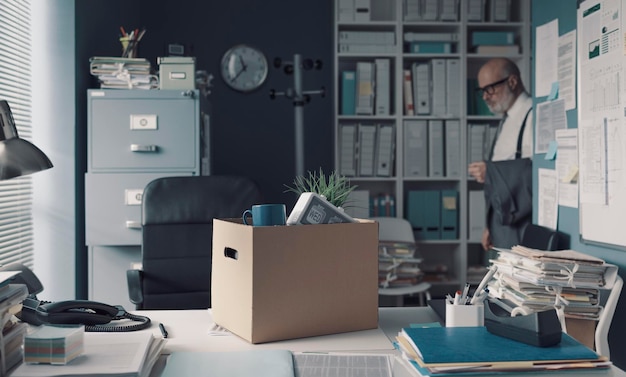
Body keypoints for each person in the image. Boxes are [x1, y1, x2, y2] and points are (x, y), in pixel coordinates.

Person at [468, 58, 533, 251]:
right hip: (503, 223)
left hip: (522, 226)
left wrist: (491, 171)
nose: (485, 97)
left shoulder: (533, 114)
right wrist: (491, 225)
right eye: (482, 92)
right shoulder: (507, 119)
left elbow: (538, 171)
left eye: (490, 89)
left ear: (512, 82)